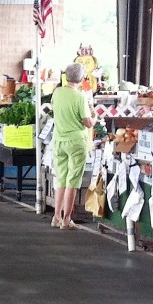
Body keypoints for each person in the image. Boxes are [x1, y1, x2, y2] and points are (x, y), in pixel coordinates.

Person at [51, 63, 95, 230]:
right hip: (76, 141)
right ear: (82, 79)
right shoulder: (80, 97)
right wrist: (95, 117)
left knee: (61, 178)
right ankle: (66, 219)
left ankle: (56, 216)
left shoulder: (57, 92)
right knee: (73, 181)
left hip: (59, 140)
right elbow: (87, 122)